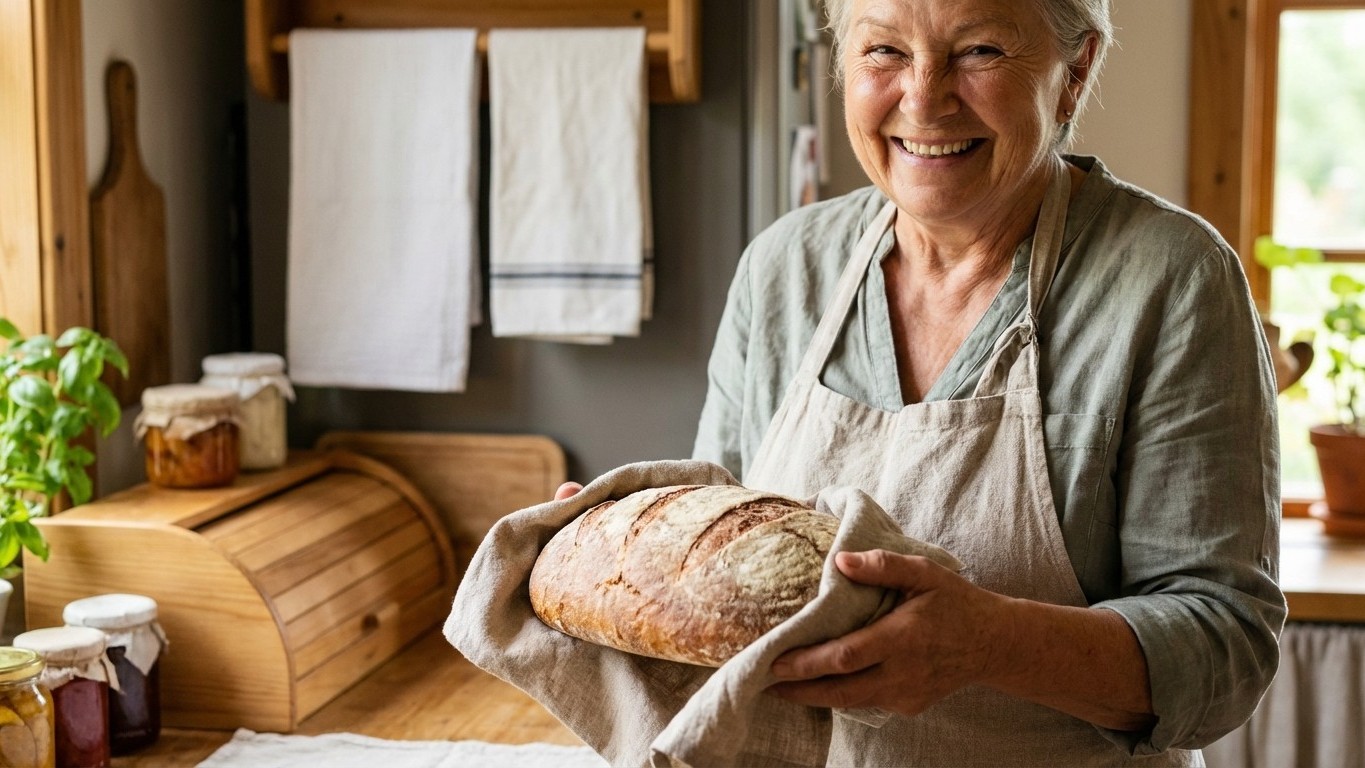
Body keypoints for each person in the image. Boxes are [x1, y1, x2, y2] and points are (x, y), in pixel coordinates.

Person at [559, 0, 1284, 763]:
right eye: (883, 52)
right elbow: (715, 575)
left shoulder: (1168, 278)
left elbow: (1221, 650)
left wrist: (988, 644)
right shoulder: (784, 269)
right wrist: (627, 553)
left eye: (977, 52)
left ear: (1073, 74)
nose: (923, 97)